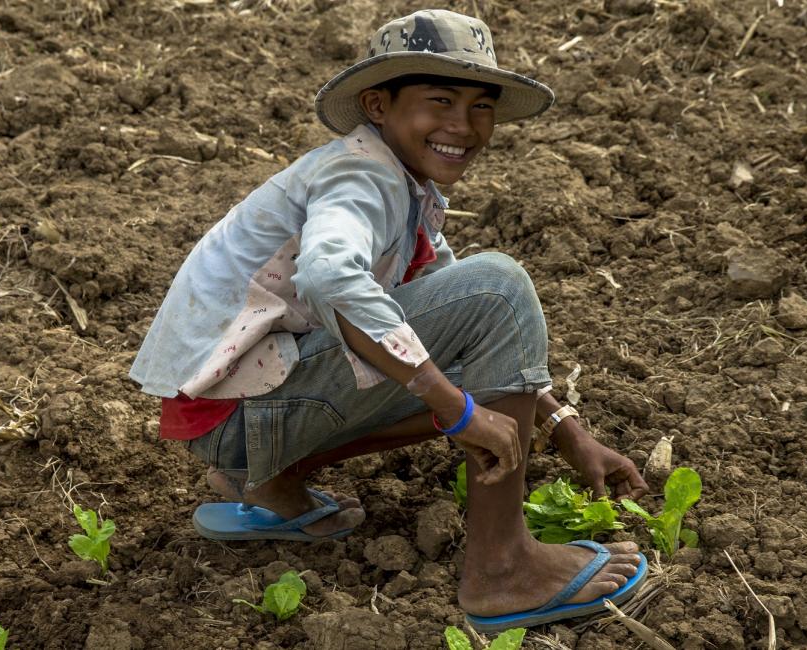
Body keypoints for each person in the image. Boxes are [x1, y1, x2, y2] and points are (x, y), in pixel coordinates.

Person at [130, 9, 649, 631]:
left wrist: (566, 426)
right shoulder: (360, 174)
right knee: (501, 288)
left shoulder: (407, 190)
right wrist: (453, 407)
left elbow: (452, 316)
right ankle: (503, 570)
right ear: (378, 105)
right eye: (439, 100)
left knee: (452, 332)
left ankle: (276, 484)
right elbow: (330, 276)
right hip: (238, 415)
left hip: (233, 410)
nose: (464, 125)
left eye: (481, 106)